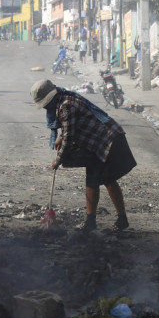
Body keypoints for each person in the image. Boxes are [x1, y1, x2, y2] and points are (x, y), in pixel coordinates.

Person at [30, 78, 136, 233]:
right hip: (94, 143)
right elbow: (70, 129)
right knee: (92, 180)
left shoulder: (65, 106)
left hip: (108, 140)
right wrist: (60, 138)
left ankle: (122, 220)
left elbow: (69, 137)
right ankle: (90, 221)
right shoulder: (62, 102)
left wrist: (58, 160)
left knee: (108, 179)